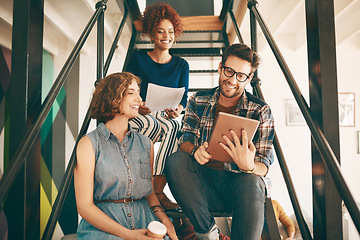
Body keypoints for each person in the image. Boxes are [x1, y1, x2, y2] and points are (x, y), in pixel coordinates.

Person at [165, 43, 275, 240]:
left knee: (252, 180)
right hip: (204, 187)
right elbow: (185, 140)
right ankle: (208, 233)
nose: (232, 80)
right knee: (176, 160)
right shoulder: (198, 99)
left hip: (241, 190)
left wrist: (249, 166)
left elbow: (264, 165)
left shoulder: (260, 110)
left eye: (241, 75)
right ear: (220, 67)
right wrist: (193, 151)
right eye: (229, 71)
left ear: (249, 78)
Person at [74, 72, 178, 240]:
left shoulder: (146, 144)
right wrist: (129, 236)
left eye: (138, 92)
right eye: (131, 93)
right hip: (103, 228)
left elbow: (149, 194)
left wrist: (165, 219)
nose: (139, 99)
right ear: (112, 97)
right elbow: (84, 206)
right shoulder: (89, 144)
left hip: (145, 220)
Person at [126, 2, 189, 210]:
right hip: (139, 115)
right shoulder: (137, 59)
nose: (166, 36)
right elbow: (124, 89)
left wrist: (178, 110)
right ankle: (142, 183)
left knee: (175, 126)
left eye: (170, 31)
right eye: (160, 31)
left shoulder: (181, 65)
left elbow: (183, 99)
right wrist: (139, 103)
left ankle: (157, 188)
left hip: (164, 117)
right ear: (152, 33)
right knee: (150, 124)